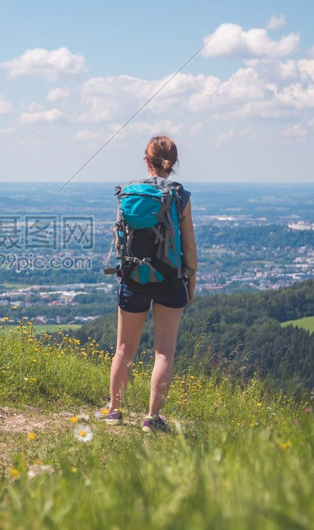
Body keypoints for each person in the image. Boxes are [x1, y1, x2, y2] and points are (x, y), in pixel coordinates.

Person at [104, 135, 197, 432]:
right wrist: (190, 281)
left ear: (146, 159)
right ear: (174, 163)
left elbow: (118, 238)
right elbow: (190, 247)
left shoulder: (129, 193)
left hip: (133, 277)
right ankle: (152, 419)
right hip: (170, 278)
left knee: (123, 348)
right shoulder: (179, 196)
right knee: (164, 351)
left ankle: (114, 411)